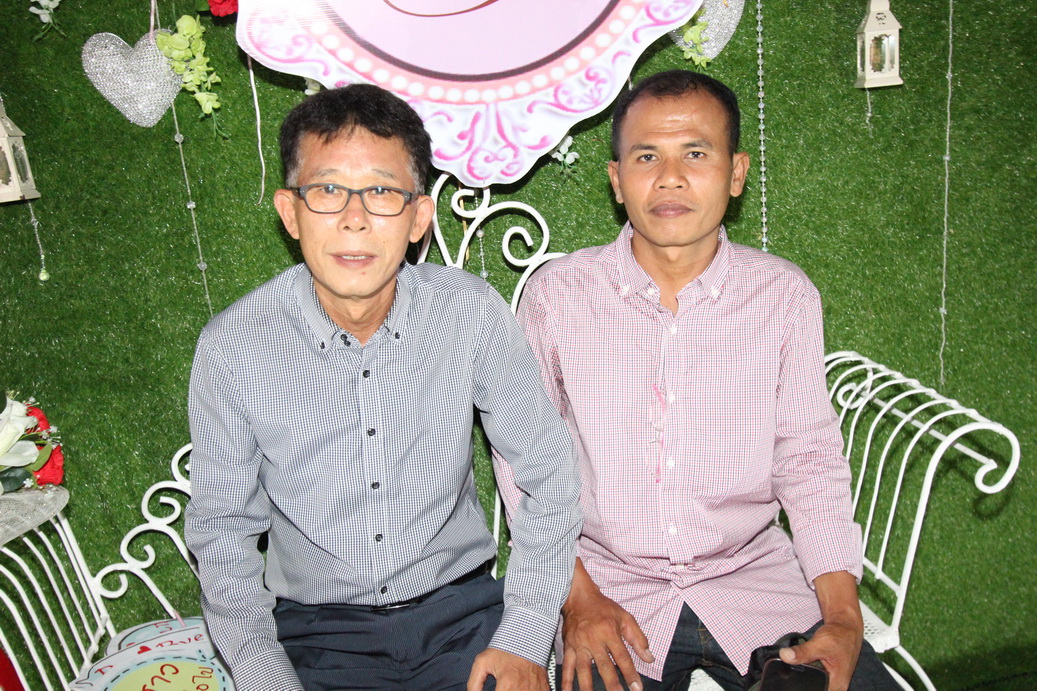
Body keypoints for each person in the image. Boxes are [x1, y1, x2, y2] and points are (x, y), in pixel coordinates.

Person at [500, 70, 900, 691]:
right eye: (646, 157)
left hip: (755, 580)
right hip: (608, 590)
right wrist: (576, 598)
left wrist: (844, 619)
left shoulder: (782, 296)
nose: (670, 177)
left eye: (695, 153)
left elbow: (809, 461)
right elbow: (525, 463)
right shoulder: (557, 298)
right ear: (616, 180)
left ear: (736, 173)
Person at [185, 83, 582, 691]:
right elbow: (221, 529)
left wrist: (525, 635)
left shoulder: (469, 314)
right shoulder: (233, 346)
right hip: (316, 636)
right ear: (289, 212)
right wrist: (266, 677)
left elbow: (549, 469)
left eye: (381, 191)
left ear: (419, 218)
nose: (354, 218)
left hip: (463, 617)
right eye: (327, 191)